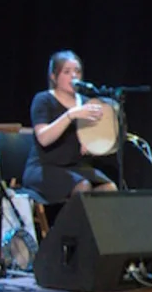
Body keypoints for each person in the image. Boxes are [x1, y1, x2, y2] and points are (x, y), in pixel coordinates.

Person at [22, 51, 117, 205]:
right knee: (83, 186)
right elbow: (44, 138)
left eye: (77, 71)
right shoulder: (44, 100)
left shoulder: (86, 103)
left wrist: (92, 143)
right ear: (54, 76)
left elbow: (97, 139)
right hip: (44, 168)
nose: (74, 76)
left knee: (109, 188)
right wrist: (70, 115)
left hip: (75, 167)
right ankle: (72, 222)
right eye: (67, 72)